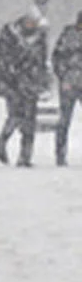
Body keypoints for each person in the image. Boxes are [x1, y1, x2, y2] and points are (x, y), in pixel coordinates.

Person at [0, 7, 49, 167]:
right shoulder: (9, 36)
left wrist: (42, 81)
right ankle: (2, 141)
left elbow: (42, 61)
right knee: (15, 116)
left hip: (30, 83)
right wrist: (6, 79)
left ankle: (25, 157)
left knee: (30, 121)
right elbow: (1, 60)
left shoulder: (39, 38)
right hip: (12, 83)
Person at [51, 11, 82, 167]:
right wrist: (63, 75)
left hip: (69, 82)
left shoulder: (67, 36)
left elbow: (56, 57)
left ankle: (60, 153)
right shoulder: (68, 35)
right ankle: (60, 154)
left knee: (64, 120)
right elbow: (57, 57)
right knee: (64, 120)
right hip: (69, 84)